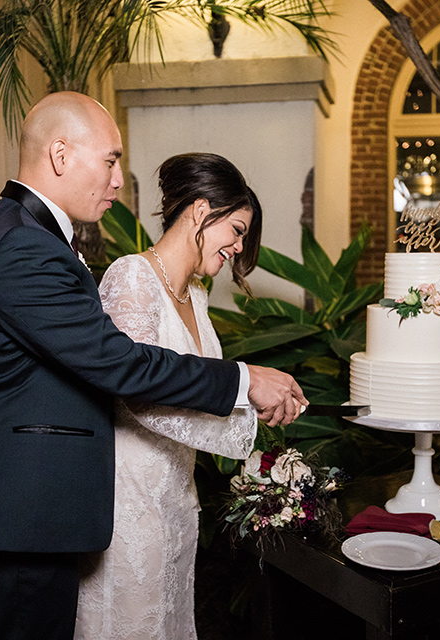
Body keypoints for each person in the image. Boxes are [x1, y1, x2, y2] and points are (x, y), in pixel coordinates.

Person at [0, 92, 306, 640]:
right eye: (109, 161)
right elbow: (118, 364)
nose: (118, 181)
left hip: (30, 509)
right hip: (11, 513)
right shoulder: (22, 245)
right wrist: (246, 382)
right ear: (60, 155)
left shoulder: (27, 233)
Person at [75, 153, 264, 638]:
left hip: (178, 500)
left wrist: (249, 402)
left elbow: (197, 389)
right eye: (237, 230)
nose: (238, 249)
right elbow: (137, 397)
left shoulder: (196, 296)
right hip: (129, 507)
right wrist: (249, 406)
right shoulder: (132, 276)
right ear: (201, 211)